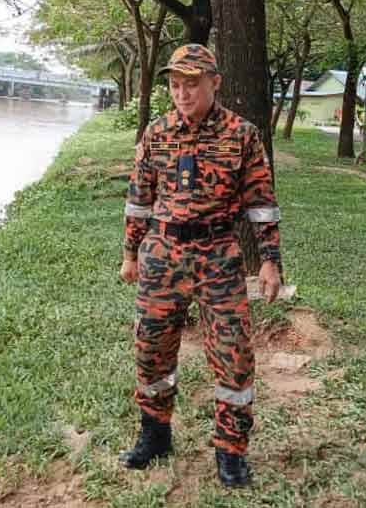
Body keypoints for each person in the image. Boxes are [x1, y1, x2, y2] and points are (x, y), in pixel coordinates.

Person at [119, 43, 283, 488]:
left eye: (192, 84)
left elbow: (262, 204)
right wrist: (130, 253)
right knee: (151, 349)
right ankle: (155, 435)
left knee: (234, 356)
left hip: (218, 258)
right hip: (162, 255)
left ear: (215, 83)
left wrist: (270, 262)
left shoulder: (242, 134)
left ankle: (231, 452)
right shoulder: (157, 132)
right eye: (175, 85)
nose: (182, 93)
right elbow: (139, 199)